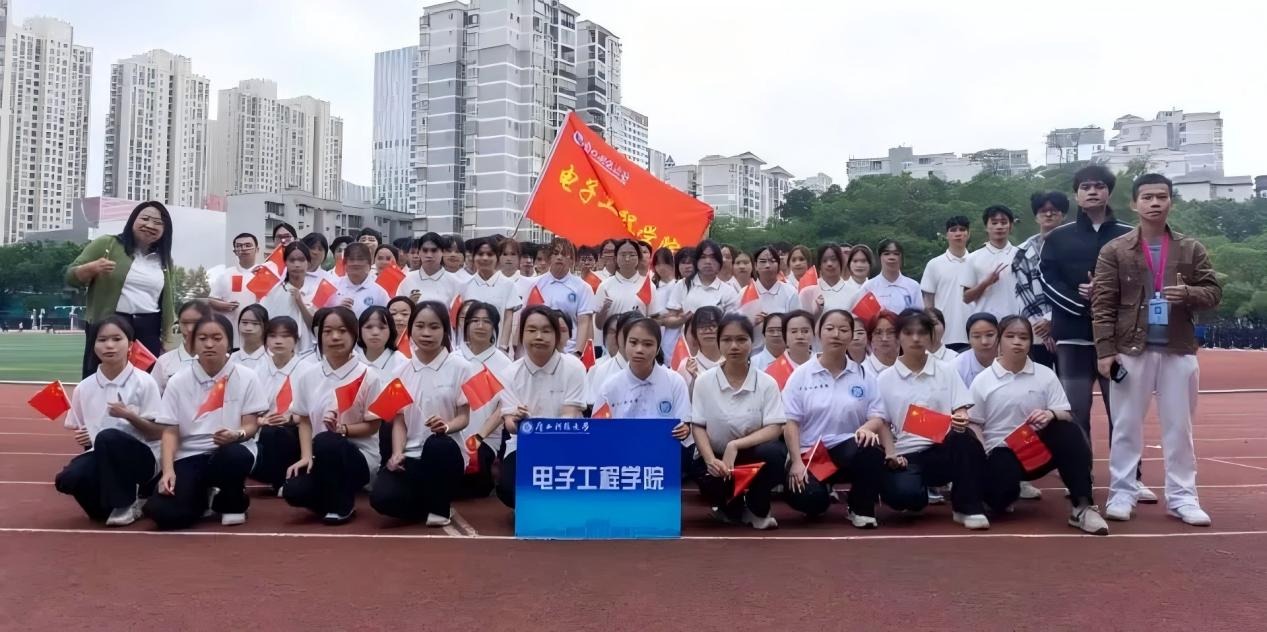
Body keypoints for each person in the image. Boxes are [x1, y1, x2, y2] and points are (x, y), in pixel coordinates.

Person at [1093, 173, 1222, 526]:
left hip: (1178, 349)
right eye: (1147, 197)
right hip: (1130, 348)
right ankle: (1122, 492)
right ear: (1133, 203)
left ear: (1170, 202)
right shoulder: (1115, 250)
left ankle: (1183, 497)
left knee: (1179, 428)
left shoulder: (1191, 248)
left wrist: (1189, 294)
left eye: (1161, 197)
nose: (1154, 203)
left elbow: (1213, 292)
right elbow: (1102, 303)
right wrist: (1105, 351)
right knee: (1125, 425)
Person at [1038, 165, 1151, 500]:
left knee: (1123, 411)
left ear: (1108, 192)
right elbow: (1047, 280)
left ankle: (1130, 477)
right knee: (1075, 411)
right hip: (1072, 337)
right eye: (1085, 187)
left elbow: (1145, 279)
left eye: (1098, 186)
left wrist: (1108, 293)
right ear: (1076, 194)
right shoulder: (1058, 237)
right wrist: (1080, 301)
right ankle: (1080, 475)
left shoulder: (1131, 235)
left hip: (1118, 339)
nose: (1092, 191)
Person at [972, 316, 1107, 534]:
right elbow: (974, 424)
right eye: (1010, 336)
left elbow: (1066, 413)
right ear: (999, 340)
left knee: (1068, 430)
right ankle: (999, 493)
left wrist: (1050, 414)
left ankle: (1082, 507)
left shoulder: (1045, 374)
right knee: (999, 502)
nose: (1017, 342)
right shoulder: (983, 380)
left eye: (1023, 337)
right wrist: (982, 457)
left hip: (1036, 449)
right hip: (1000, 452)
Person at [144, 314, 268, 529]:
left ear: (229, 342)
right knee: (163, 513)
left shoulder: (247, 376)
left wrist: (236, 434)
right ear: (193, 343)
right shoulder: (178, 381)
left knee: (234, 455)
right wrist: (168, 470)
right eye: (202, 338)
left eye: (217, 338)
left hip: (230, 450)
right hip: (190, 455)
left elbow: (250, 424)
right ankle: (203, 498)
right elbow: (170, 431)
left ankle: (233, 500)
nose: (209, 344)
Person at [873, 310, 989, 530]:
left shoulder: (946, 371)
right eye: (909, 333)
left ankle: (967, 508)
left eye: (922, 333)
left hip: (943, 448)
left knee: (965, 439)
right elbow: (882, 422)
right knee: (904, 497)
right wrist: (891, 454)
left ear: (931, 336)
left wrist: (961, 417)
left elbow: (961, 407)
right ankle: (917, 493)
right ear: (898, 337)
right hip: (907, 455)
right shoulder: (884, 379)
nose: (916, 338)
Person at [781, 310, 888, 528]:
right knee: (811, 500)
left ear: (851, 335)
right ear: (819, 333)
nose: (836, 334)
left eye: (843, 329)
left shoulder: (863, 375)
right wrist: (796, 462)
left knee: (870, 448)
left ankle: (860, 508)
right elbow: (790, 422)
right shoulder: (801, 375)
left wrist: (867, 428)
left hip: (847, 448)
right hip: (810, 454)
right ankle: (819, 492)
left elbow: (877, 415)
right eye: (830, 329)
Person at [55, 316, 164, 525]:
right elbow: (86, 430)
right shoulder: (84, 388)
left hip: (144, 458)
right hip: (103, 455)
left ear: (130, 344)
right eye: (102, 340)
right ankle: (120, 504)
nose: (109, 345)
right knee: (68, 479)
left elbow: (158, 432)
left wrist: (129, 416)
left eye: (117, 339)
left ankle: (128, 501)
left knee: (109, 437)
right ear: (93, 345)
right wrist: (86, 435)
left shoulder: (145, 382)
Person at [370, 301, 470, 526]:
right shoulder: (401, 371)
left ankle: (440, 508)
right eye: (420, 326)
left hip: (446, 454)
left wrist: (446, 427)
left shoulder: (460, 368)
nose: (426, 333)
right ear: (410, 329)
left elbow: (464, 417)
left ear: (445, 330)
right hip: (412, 456)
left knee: (438, 444)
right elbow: (399, 420)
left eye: (434, 327)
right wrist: (397, 453)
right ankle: (429, 502)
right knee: (381, 498)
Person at [282, 307, 382, 524]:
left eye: (342, 331)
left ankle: (342, 506)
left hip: (359, 456)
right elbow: (304, 420)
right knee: (294, 492)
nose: (335, 337)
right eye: (327, 331)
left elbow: (374, 425)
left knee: (328, 441)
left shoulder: (368, 375)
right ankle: (332, 497)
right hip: (320, 455)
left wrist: (342, 430)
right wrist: (306, 456)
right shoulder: (308, 376)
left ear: (354, 334)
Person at [690, 314, 787, 529]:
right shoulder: (704, 381)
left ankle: (757, 508)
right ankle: (729, 508)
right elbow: (697, 425)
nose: (734, 346)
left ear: (752, 342)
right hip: (716, 457)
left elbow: (775, 427)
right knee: (708, 479)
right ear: (718, 343)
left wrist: (735, 445)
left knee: (775, 453)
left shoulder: (766, 382)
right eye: (727, 340)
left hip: (751, 455)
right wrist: (710, 460)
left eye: (741, 339)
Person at [67, 201, 177, 378]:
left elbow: (168, 301)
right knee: (101, 377)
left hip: (149, 328)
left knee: (145, 382)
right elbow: (70, 277)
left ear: (165, 230)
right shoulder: (107, 244)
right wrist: (91, 268)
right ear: (133, 220)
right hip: (111, 325)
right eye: (145, 219)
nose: (150, 225)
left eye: (158, 223)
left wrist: (167, 338)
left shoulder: (164, 260)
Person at [495, 305, 588, 508]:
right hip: (524, 445)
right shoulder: (509, 373)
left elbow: (569, 416)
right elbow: (509, 424)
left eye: (546, 331)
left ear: (557, 335)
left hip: (566, 444)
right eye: (532, 330)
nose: (539, 336)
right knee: (509, 490)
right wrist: (517, 422)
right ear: (522, 335)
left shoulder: (574, 367)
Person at [597, 317, 694, 469]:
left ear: (658, 348)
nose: (639, 350)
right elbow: (598, 431)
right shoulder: (609, 387)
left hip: (662, 464)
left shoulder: (675, 381)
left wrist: (684, 429)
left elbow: (684, 424)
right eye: (633, 342)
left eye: (648, 344)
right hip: (620, 463)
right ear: (624, 344)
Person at [456, 301, 514, 499]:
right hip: (453, 436)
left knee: (476, 487)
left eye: (486, 322)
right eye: (475, 320)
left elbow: (502, 408)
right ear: (466, 325)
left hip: (485, 439)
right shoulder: (453, 358)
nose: (480, 326)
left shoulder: (505, 363)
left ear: (495, 327)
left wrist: (478, 438)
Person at [250, 316, 304, 495]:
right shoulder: (258, 369)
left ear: (296, 340)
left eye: (285, 336)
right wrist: (260, 420)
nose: (278, 341)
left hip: (296, 431)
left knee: (277, 433)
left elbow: (313, 412)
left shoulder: (307, 369)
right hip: (262, 430)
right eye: (272, 336)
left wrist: (290, 419)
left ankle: (284, 480)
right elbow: (248, 408)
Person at [1014, 192, 1069, 368]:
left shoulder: (1075, 247)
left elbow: (1074, 287)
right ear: (1036, 216)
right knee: (1038, 378)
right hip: (1037, 332)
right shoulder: (1022, 252)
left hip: (1068, 328)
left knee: (1070, 381)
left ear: (1063, 215)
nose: (1049, 214)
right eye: (1043, 211)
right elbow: (1023, 290)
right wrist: (1043, 329)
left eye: (1054, 210)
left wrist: (1052, 319)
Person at [530, 237, 596, 354]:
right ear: (549, 258)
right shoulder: (536, 284)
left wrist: (578, 353)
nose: (559, 257)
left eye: (564, 254)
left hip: (569, 351)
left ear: (572, 260)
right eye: (556, 253)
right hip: (542, 348)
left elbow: (584, 323)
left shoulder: (583, 287)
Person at [459, 236, 523, 348]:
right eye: (480, 254)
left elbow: (508, 319)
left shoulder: (508, 285)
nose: (485, 258)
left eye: (490, 254)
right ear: (473, 257)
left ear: (497, 258)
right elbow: (461, 319)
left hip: (496, 348)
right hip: (469, 348)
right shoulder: (465, 285)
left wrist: (503, 347)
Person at [920, 216, 972, 351]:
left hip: (973, 336)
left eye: (962, 229)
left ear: (968, 234)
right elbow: (928, 303)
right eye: (953, 230)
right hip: (943, 337)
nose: (958, 233)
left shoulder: (977, 262)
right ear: (947, 235)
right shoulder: (934, 264)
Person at [960, 205, 1020, 319]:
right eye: (994, 223)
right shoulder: (972, 258)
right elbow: (966, 298)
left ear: (1011, 226)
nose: (999, 226)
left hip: (1016, 322)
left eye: (1004, 222)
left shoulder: (1022, 256)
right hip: (985, 323)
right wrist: (985, 283)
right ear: (986, 227)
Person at [594, 239, 651, 355]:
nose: (627, 258)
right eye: (623, 254)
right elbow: (598, 324)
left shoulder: (647, 284)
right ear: (615, 258)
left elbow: (653, 319)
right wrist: (604, 309)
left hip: (638, 345)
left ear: (639, 258)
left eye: (632, 255)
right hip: (612, 346)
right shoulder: (605, 286)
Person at [260, 242, 318, 352]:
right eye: (292, 260)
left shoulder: (316, 290)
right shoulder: (275, 291)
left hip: (308, 350)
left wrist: (300, 303)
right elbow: (267, 323)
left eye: (301, 260)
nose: (297, 264)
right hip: (280, 351)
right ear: (285, 262)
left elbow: (316, 326)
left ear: (308, 262)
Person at [208, 232, 262, 347]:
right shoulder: (227, 274)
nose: (244, 249)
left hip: (259, 337)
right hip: (232, 336)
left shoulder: (264, 273)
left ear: (257, 249)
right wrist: (224, 305)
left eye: (248, 245)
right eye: (239, 246)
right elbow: (211, 300)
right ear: (235, 251)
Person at [667, 240, 739, 325]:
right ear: (696, 261)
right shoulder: (682, 285)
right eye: (703, 257)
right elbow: (669, 318)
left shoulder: (729, 292)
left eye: (713, 257)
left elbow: (733, 324)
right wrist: (681, 320)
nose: (708, 261)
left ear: (719, 262)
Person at [746, 245, 800, 347]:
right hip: (753, 351)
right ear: (755, 266)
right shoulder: (745, 293)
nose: (767, 265)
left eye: (772, 261)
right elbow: (736, 326)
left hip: (783, 350)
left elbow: (796, 324)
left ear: (778, 265)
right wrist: (751, 322)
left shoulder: (790, 292)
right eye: (762, 261)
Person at [154, 300, 211, 393]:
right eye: (184, 323)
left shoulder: (220, 360)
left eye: (196, 322)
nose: (190, 329)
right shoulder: (164, 361)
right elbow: (153, 396)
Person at [863, 240, 923, 314]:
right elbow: (864, 316)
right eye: (886, 254)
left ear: (901, 258)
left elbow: (919, 316)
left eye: (896, 254)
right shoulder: (869, 287)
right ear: (879, 257)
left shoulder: (913, 286)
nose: (891, 257)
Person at [332, 243, 389, 317]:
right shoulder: (332, 286)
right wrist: (336, 311)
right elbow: (319, 315)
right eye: (351, 259)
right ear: (345, 264)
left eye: (360, 259)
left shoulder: (380, 292)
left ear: (369, 264)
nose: (355, 263)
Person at [676, 307, 724, 392]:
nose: (708, 330)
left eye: (713, 325)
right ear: (695, 332)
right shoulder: (686, 366)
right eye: (702, 326)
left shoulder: (733, 361)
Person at [800, 243, 851, 314]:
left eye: (834, 259)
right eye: (824, 260)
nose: (829, 264)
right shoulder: (807, 292)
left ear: (841, 262)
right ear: (819, 265)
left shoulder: (854, 292)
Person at [954, 313, 999, 388]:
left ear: (999, 336)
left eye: (990, 335)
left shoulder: (1011, 359)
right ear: (969, 340)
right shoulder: (957, 366)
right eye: (977, 336)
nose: (984, 342)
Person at [228, 305, 269, 373]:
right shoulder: (230, 358)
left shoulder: (272, 359)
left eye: (255, 323)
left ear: (265, 326)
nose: (248, 328)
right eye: (244, 322)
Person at [862, 310, 899, 376]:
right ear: (871, 338)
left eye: (891, 332)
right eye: (878, 333)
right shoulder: (863, 372)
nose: (884, 338)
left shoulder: (910, 366)